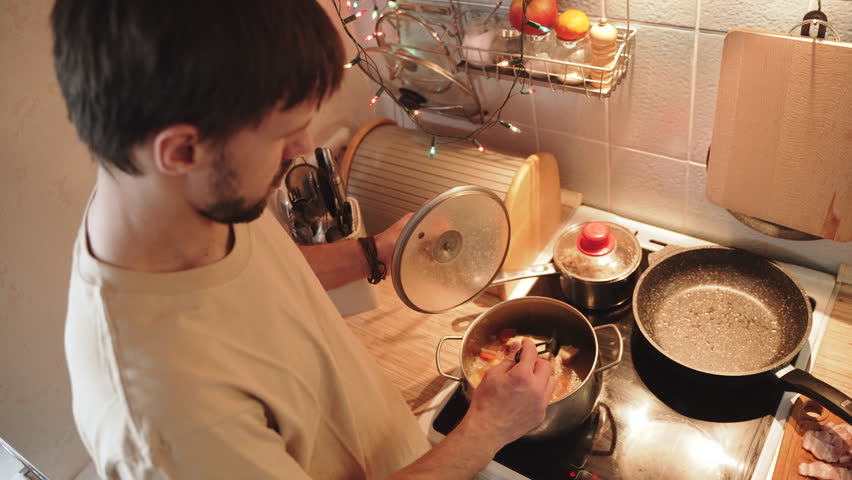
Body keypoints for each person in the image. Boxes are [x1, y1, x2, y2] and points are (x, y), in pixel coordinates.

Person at [53, 1, 556, 479]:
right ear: (182, 150)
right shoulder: (164, 422)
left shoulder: (177, 198)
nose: (304, 148)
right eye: (282, 133)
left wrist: (373, 251)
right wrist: (487, 428)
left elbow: (247, 282)